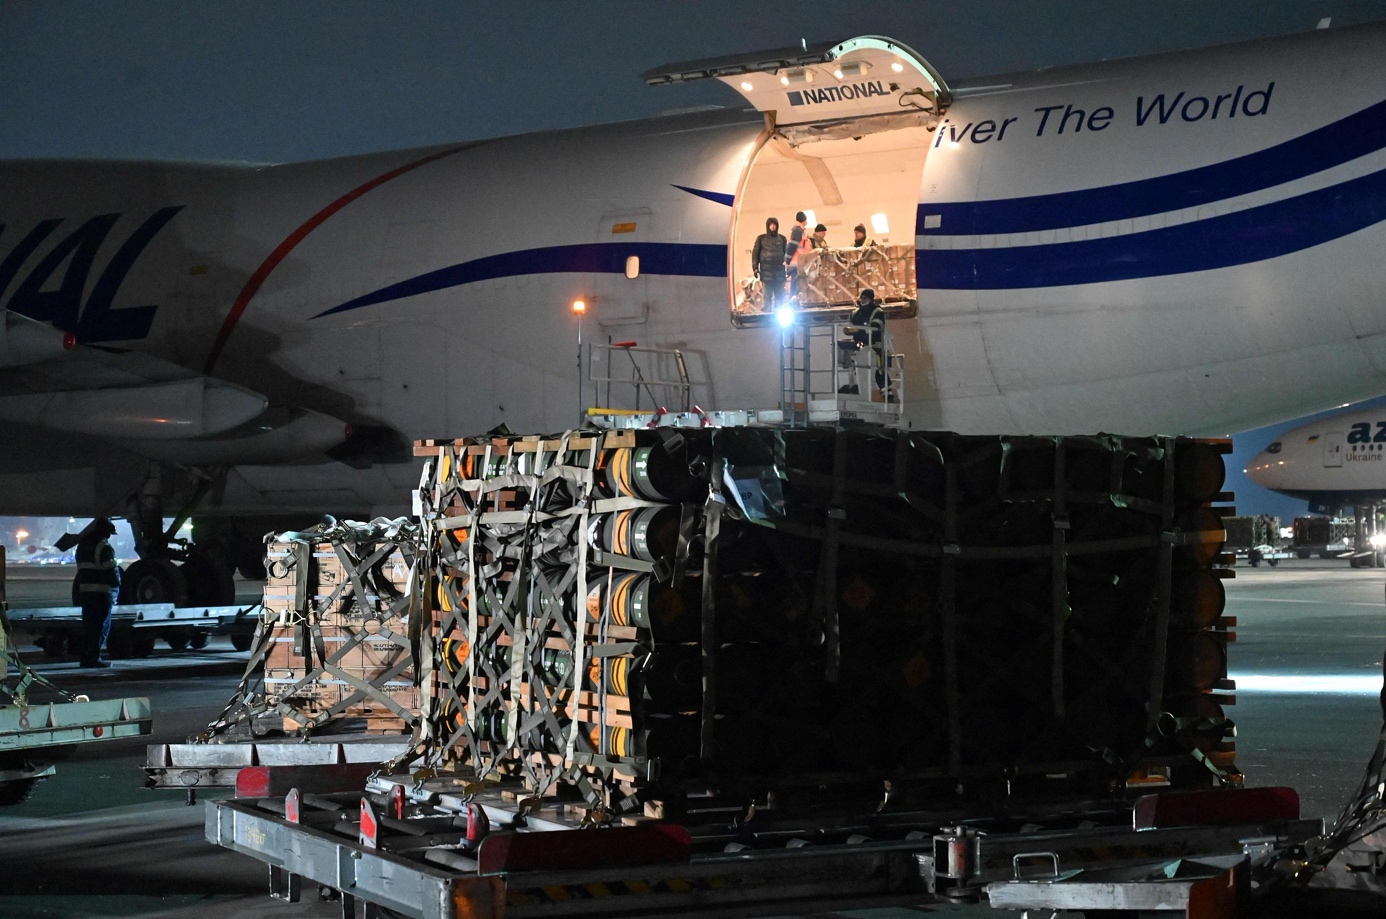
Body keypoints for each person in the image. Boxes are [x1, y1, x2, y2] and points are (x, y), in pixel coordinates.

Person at [73, 517, 121, 668]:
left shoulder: (82, 546)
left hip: (86, 592)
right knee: (100, 627)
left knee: (89, 627)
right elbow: (112, 571)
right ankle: (94, 658)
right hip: (102, 593)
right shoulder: (103, 547)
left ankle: (85, 658)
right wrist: (118, 584)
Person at [750, 217, 787, 312]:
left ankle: (780, 315)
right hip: (766, 274)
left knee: (780, 296)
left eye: (774, 224)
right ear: (768, 226)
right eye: (771, 224)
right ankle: (767, 316)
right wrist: (755, 268)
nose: (773, 226)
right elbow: (755, 254)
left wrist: (788, 267)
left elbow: (787, 254)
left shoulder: (782, 239)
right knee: (767, 296)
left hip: (780, 273)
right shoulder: (761, 239)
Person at [785, 211, 808, 299]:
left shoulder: (799, 230)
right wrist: (787, 261)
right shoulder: (797, 231)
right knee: (795, 286)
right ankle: (793, 302)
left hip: (799, 262)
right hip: (797, 263)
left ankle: (796, 300)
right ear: (803, 220)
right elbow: (792, 246)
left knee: (798, 285)